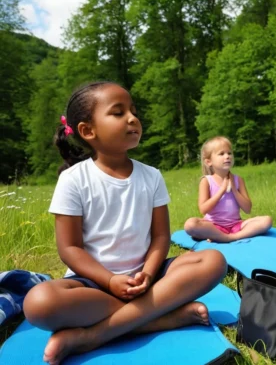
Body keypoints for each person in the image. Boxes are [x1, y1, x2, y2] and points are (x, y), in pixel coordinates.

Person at [23, 82, 227, 365]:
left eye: (133, 111)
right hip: (94, 286)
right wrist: (109, 280)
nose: (132, 118)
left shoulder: (151, 176)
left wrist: (148, 271)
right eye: (118, 113)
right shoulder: (73, 180)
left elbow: (160, 237)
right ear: (87, 131)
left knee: (214, 260)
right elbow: (69, 248)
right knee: (38, 303)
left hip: (149, 279)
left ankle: (94, 335)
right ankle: (157, 318)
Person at [184, 136, 272, 243]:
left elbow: (247, 209)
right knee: (190, 224)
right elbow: (203, 209)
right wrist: (221, 190)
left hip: (236, 225)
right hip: (214, 226)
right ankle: (220, 235)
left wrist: (234, 189)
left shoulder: (238, 180)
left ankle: (230, 237)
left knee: (267, 220)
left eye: (229, 153)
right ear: (208, 162)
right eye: (221, 154)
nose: (227, 156)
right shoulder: (206, 181)